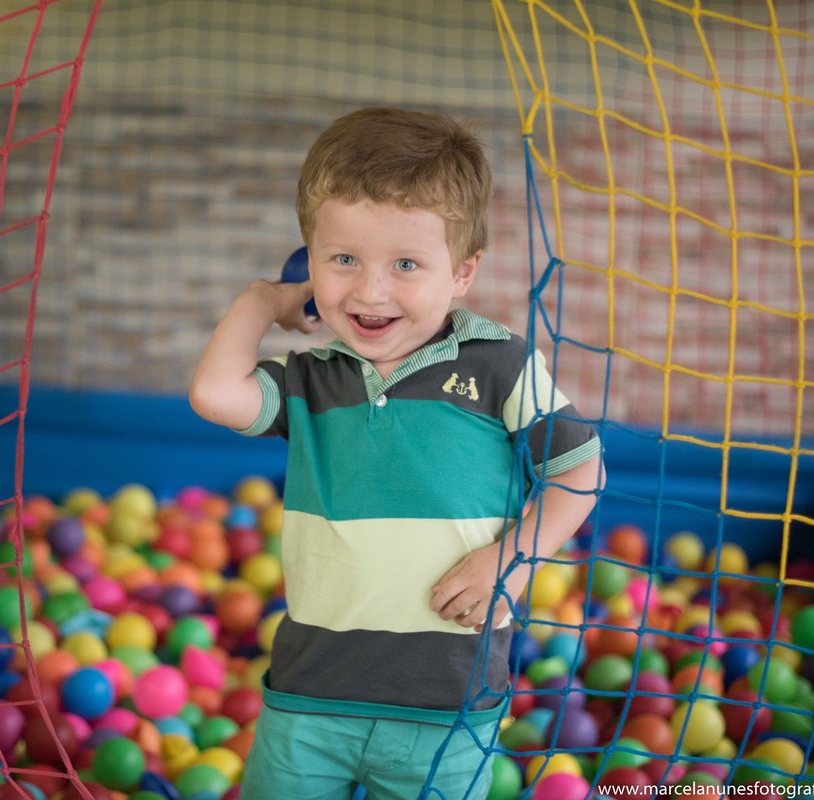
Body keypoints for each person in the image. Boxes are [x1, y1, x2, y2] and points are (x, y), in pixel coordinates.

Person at [190, 107, 604, 799]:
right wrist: (265, 298)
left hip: (446, 703)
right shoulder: (313, 378)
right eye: (343, 259)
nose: (369, 290)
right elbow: (213, 392)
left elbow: (579, 470)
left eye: (406, 264)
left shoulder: (501, 365)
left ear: (463, 272)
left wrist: (513, 556)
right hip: (310, 695)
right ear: (311, 263)